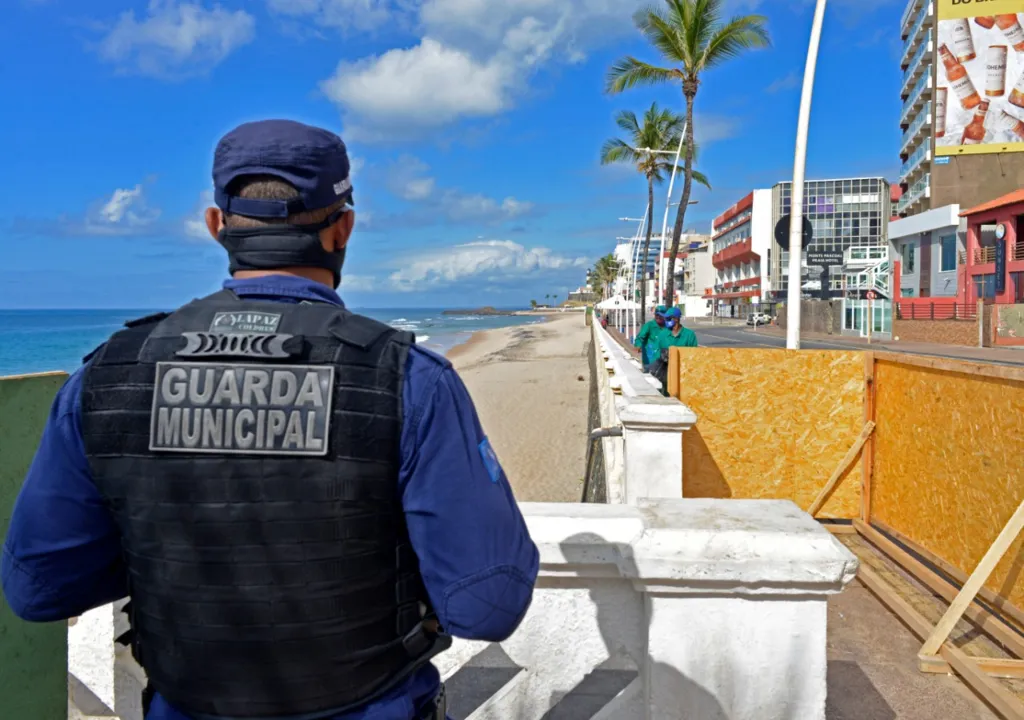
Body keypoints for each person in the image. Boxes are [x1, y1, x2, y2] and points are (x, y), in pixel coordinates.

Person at [1, 119, 539, 720]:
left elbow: (38, 586)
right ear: (343, 229)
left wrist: (163, 552)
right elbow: (489, 604)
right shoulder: (408, 380)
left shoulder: (109, 376)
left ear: (216, 227)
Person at [653, 307, 698, 396]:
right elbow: (656, 353)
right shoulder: (662, 335)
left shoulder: (689, 335)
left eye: (668, 318)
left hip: (684, 375)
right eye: (665, 318)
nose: (665, 320)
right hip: (666, 375)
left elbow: (695, 355)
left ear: (676, 319)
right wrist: (661, 356)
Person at [633, 305, 667, 372]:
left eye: (660, 315)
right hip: (650, 361)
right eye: (656, 315)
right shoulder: (649, 325)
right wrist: (638, 345)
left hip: (664, 362)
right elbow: (640, 337)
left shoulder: (668, 327)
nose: (658, 317)